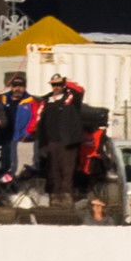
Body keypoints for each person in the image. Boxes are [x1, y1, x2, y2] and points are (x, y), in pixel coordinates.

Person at [38, 74, 84, 205]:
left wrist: (67, 83)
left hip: (67, 141)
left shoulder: (71, 98)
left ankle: (66, 195)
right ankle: (54, 195)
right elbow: (39, 120)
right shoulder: (46, 100)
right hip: (51, 140)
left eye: (59, 84)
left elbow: (79, 91)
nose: (56, 87)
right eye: (54, 84)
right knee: (53, 169)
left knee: (67, 170)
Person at [7, 73, 41, 177]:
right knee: (12, 166)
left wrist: (28, 131)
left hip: (27, 139)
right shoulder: (4, 99)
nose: (18, 88)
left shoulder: (31, 101)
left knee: (28, 166)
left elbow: (36, 117)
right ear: (11, 87)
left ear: (25, 87)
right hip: (10, 138)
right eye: (15, 86)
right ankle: (13, 188)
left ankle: (29, 189)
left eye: (20, 86)